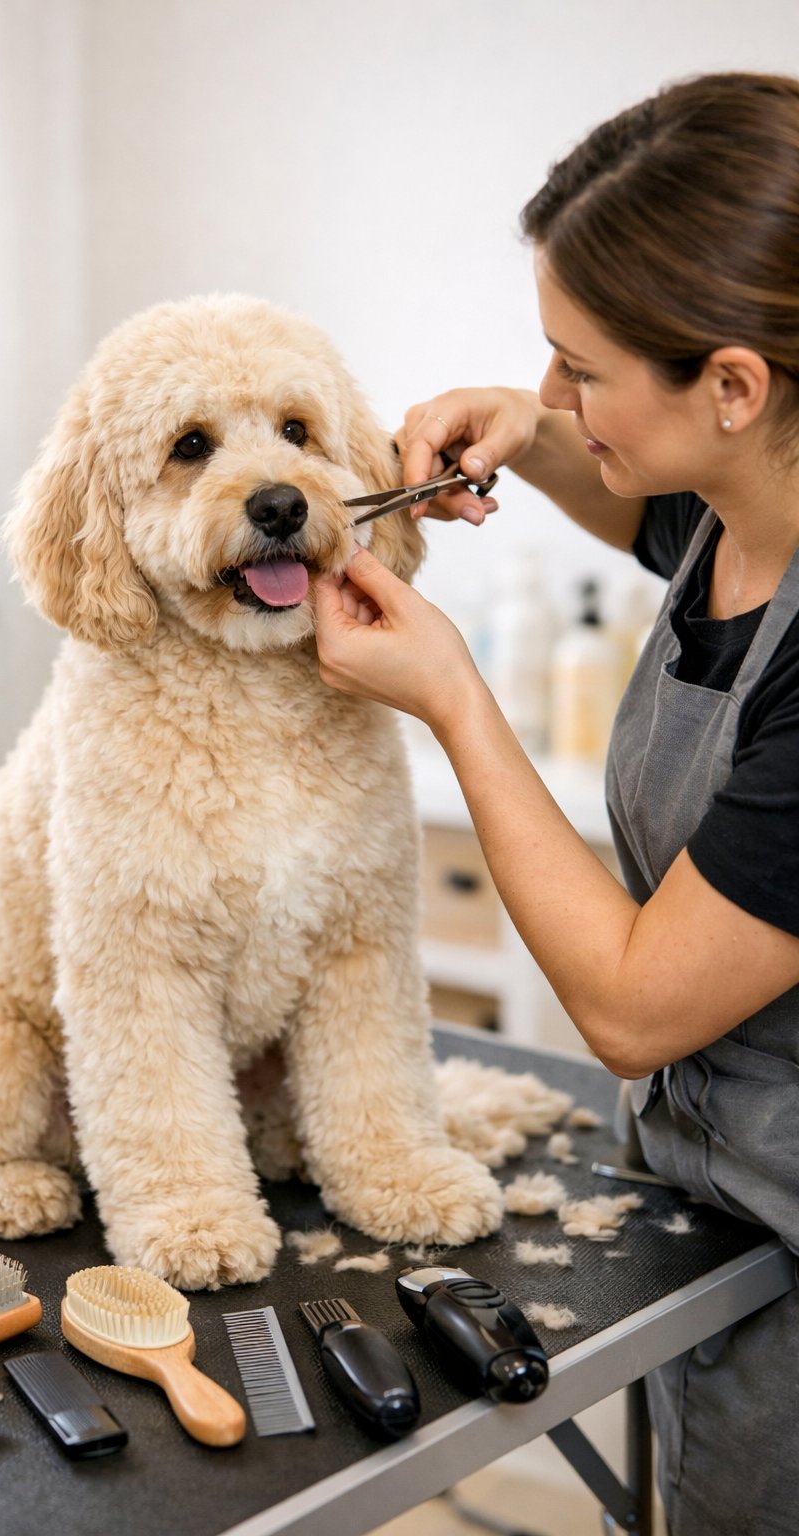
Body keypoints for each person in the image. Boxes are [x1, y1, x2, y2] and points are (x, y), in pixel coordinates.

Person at [313, 72, 799, 1536]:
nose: (554, 397)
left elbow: (639, 1008)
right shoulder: (740, 511)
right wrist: (526, 434)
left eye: (579, 370)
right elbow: (649, 504)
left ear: (731, 386)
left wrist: (456, 700)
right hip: (710, 1206)